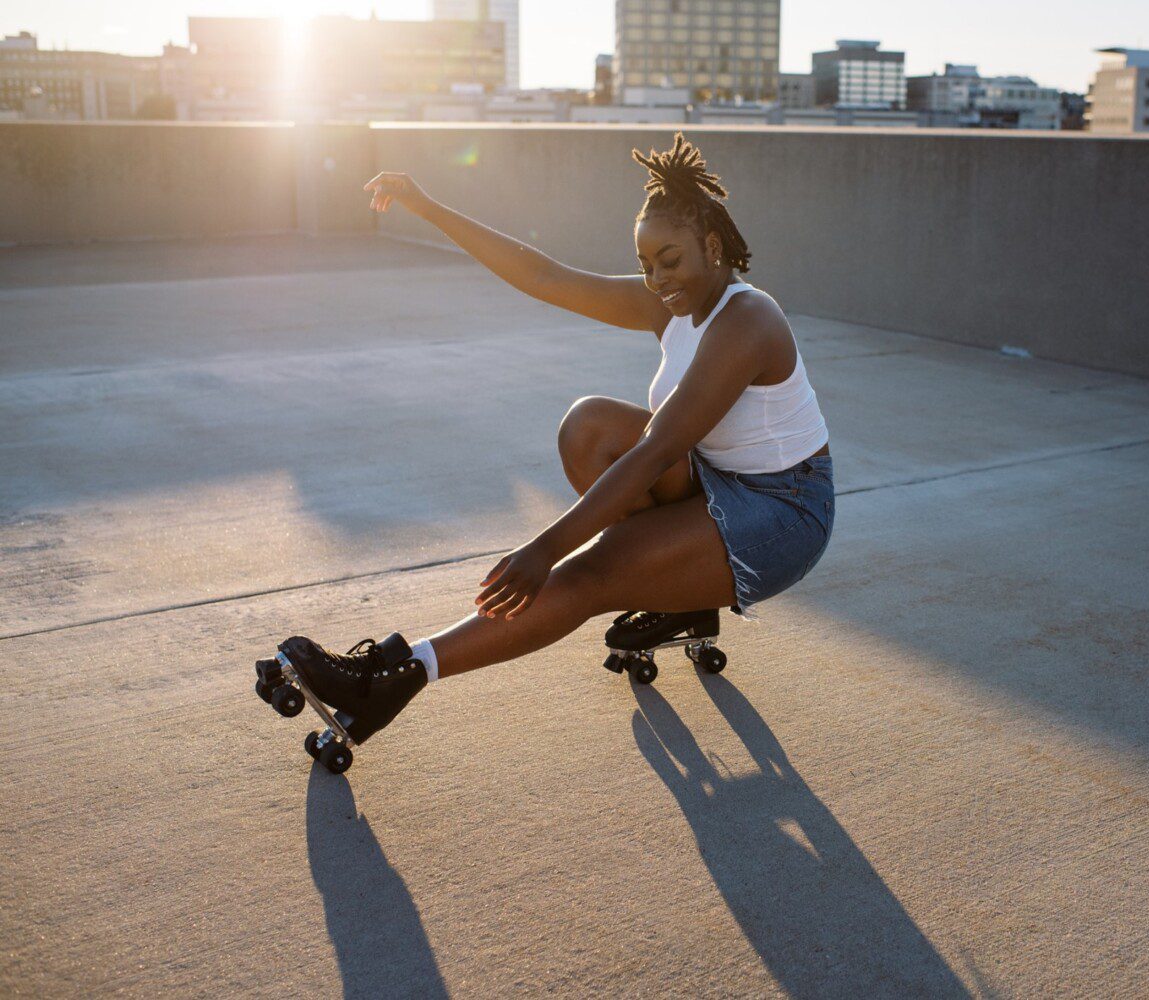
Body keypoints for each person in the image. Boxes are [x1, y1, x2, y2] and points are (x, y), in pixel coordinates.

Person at [274, 131, 834, 747]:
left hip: (784, 512)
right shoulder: (672, 305)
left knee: (586, 575)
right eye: (646, 264)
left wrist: (545, 549)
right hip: (716, 477)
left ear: (712, 244)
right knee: (588, 426)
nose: (656, 279)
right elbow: (542, 275)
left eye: (669, 261)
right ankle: (680, 595)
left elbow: (656, 451)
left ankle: (393, 679)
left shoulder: (748, 320)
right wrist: (423, 203)